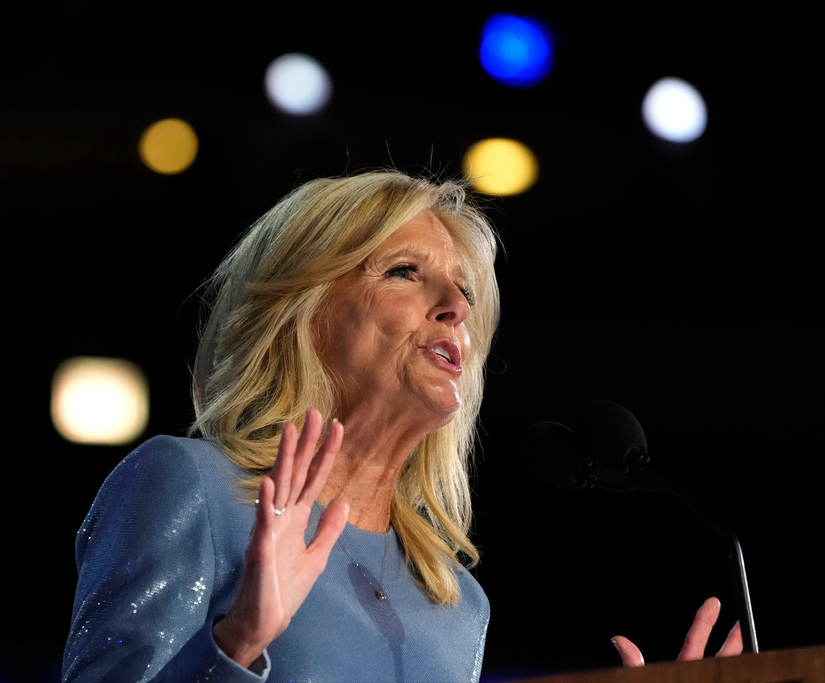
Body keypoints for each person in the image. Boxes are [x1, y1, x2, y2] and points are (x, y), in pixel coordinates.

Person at [61, 170, 741, 682]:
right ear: (307, 313)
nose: (453, 306)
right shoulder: (195, 487)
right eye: (405, 272)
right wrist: (236, 645)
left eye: (466, 294)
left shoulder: (456, 599)